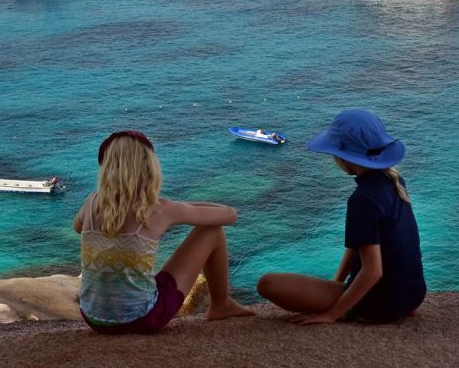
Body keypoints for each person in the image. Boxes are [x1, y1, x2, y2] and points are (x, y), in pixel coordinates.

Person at [74, 130, 254, 334]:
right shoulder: (161, 209)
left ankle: (221, 305)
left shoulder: (91, 202)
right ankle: (221, 304)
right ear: (149, 168)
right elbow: (230, 215)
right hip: (142, 319)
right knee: (213, 231)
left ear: (105, 168)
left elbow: (78, 227)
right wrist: (180, 208)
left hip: (94, 319)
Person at [257, 109, 426, 324]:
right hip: (412, 296)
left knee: (267, 284)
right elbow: (360, 246)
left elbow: (373, 270)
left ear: (344, 157)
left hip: (381, 302)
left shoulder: (362, 199)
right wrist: (335, 284)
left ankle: (354, 308)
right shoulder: (395, 180)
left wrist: (332, 313)